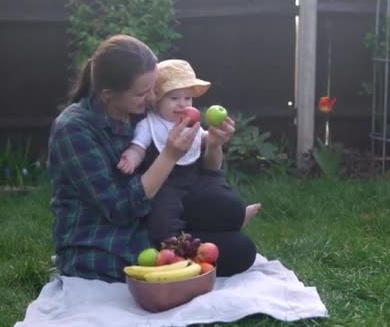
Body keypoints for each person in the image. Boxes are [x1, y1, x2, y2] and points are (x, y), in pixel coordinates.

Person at [47, 34, 257, 282]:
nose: (151, 99)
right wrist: (169, 155)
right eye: (142, 93)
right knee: (241, 250)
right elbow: (120, 209)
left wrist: (213, 145)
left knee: (230, 209)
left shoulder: (141, 110)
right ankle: (190, 242)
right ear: (107, 95)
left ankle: (209, 230)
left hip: (159, 210)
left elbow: (203, 169)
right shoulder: (74, 129)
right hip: (109, 240)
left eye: (153, 89)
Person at [116, 59, 260, 246]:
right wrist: (130, 158)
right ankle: (177, 246)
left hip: (194, 179)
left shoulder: (190, 123)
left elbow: (203, 139)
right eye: (174, 98)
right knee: (162, 221)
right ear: (157, 100)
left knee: (222, 195)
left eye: (188, 98)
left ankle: (236, 218)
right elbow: (138, 147)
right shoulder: (149, 124)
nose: (182, 104)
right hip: (165, 185)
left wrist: (216, 138)